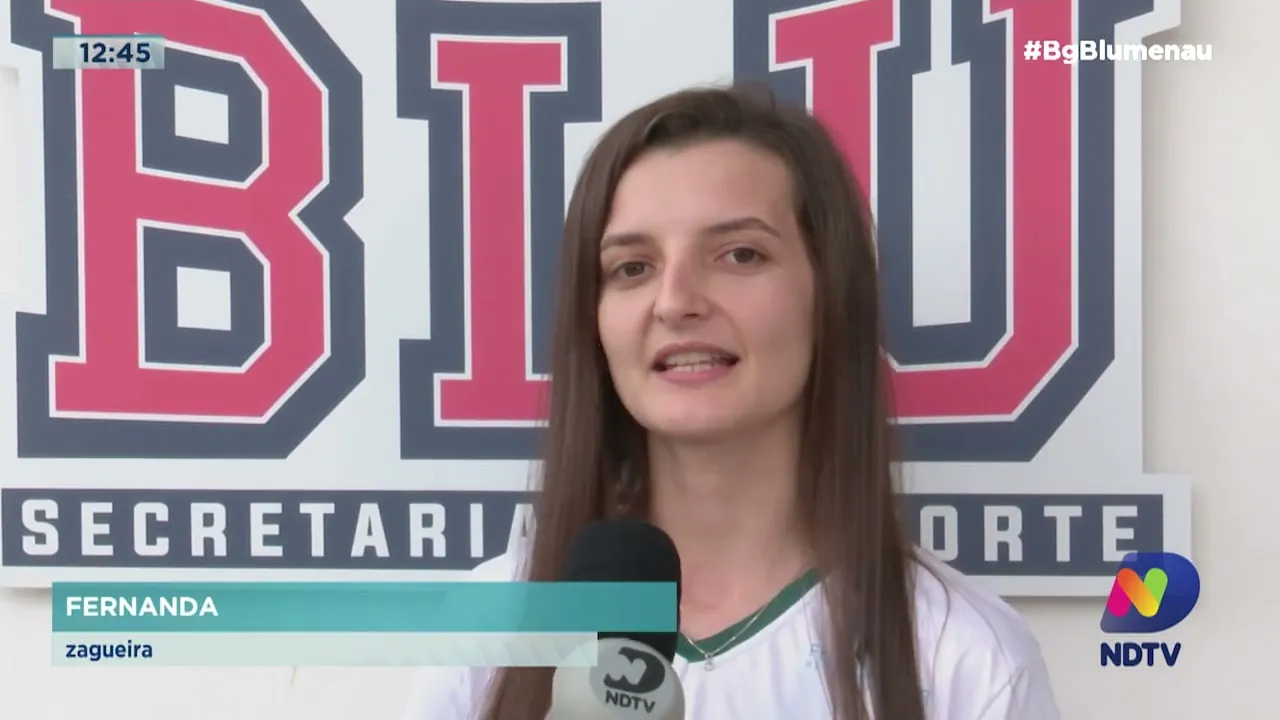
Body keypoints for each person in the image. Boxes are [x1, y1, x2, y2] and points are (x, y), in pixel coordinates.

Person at [401, 84, 1059, 719]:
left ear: (829, 297)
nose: (676, 300)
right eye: (632, 267)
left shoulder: (963, 656)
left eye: (740, 255)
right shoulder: (494, 629)